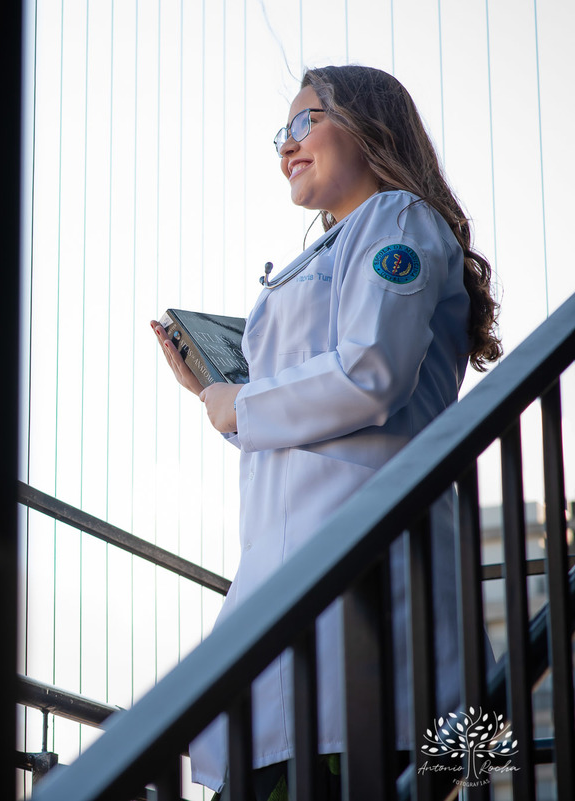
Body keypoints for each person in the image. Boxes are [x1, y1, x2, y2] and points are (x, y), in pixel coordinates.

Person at [149, 65, 501, 800]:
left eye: (306, 121)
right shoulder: (338, 245)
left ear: (371, 127)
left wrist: (240, 405)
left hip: (365, 600)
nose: (287, 145)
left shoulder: (398, 218)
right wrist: (223, 395)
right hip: (309, 591)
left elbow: (369, 371)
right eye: (282, 133)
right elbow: (320, 406)